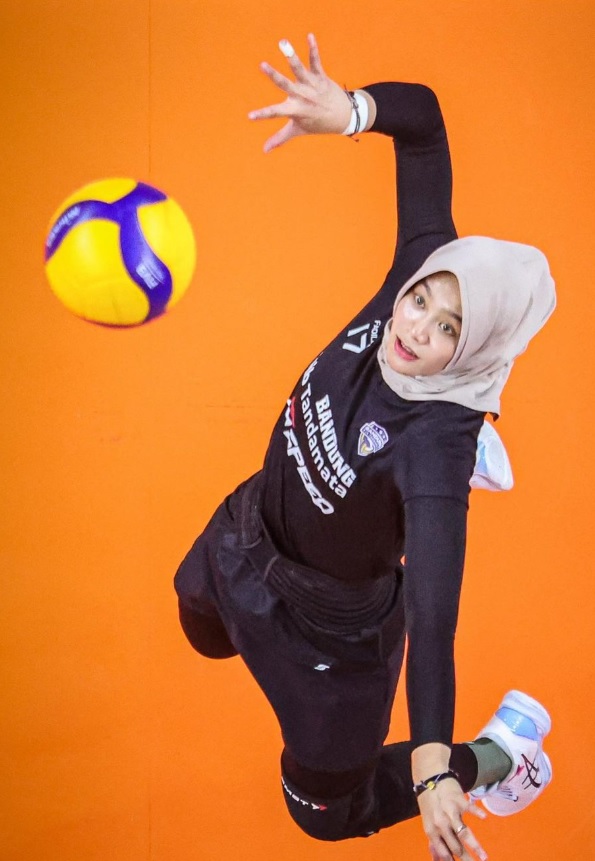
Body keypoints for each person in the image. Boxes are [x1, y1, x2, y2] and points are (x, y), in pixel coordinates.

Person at [174, 34, 555, 861]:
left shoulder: (432, 454)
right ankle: (430, 448)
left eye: (449, 329)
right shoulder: (417, 270)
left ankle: (501, 755)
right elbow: (423, 125)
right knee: (199, 624)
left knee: (320, 809)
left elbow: (434, 619)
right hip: (250, 530)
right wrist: (349, 110)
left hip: (330, 634)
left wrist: (434, 764)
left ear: (472, 346)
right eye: (421, 302)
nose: (415, 328)